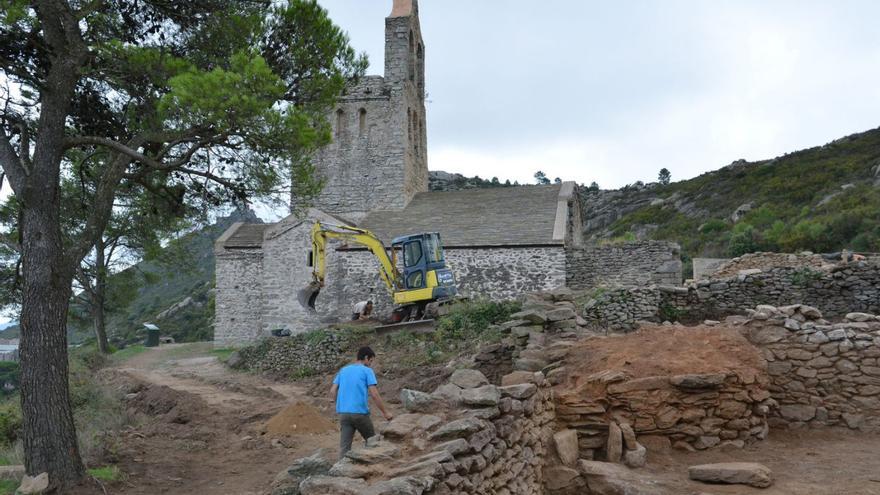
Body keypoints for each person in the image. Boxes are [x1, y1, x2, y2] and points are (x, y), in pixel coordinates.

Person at [330, 346, 393, 458]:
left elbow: (333, 390)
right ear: (366, 357)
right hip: (359, 413)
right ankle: (373, 468)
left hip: (344, 414)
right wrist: (385, 413)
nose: (371, 364)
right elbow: (374, 394)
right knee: (372, 442)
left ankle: (340, 471)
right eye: (371, 361)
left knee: (344, 447)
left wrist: (340, 405)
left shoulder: (343, 370)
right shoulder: (367, 371)